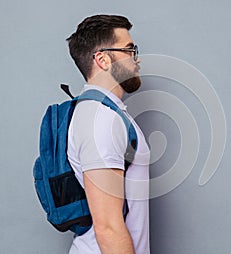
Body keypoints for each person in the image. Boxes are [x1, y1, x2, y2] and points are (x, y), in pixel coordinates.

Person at [66, 14, 150, 254]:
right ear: (103, 59)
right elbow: (108, 227)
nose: (137, 59)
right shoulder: (101, 120)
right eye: (129, 50)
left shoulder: (106, 114)